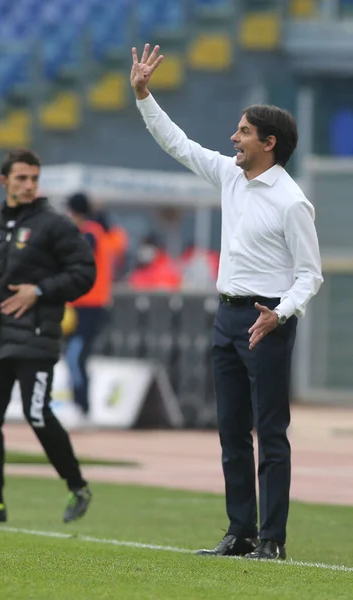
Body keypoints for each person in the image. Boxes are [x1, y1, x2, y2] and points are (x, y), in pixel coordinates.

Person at [130, 44, 323, 560]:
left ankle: (274, 541)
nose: (233, 139)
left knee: (271, 433)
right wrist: (144, 95)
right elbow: (179, 144)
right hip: (228, 315)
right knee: (232, 432)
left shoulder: (292, 202)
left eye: (242, 132)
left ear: (269, 142)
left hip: (268, 320)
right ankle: (240, 532)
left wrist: (280, 313)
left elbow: (310, 275)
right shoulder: (230, 176)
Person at [0, 149, 96, 524]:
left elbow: (85, 273)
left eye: (34, 178)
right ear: (4, 182)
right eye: (21, 178)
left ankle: (77, 486)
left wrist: (40, 291)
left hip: (35, 339)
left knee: (36, 412)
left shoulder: (56, 225)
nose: (29, 184)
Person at [64, 192, 113, 425]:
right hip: (78, 306)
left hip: (91, 305)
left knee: (76, 356)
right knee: (74, 357)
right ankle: (79, 406)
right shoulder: (88, 232)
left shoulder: (91, 233)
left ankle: (82, 408)